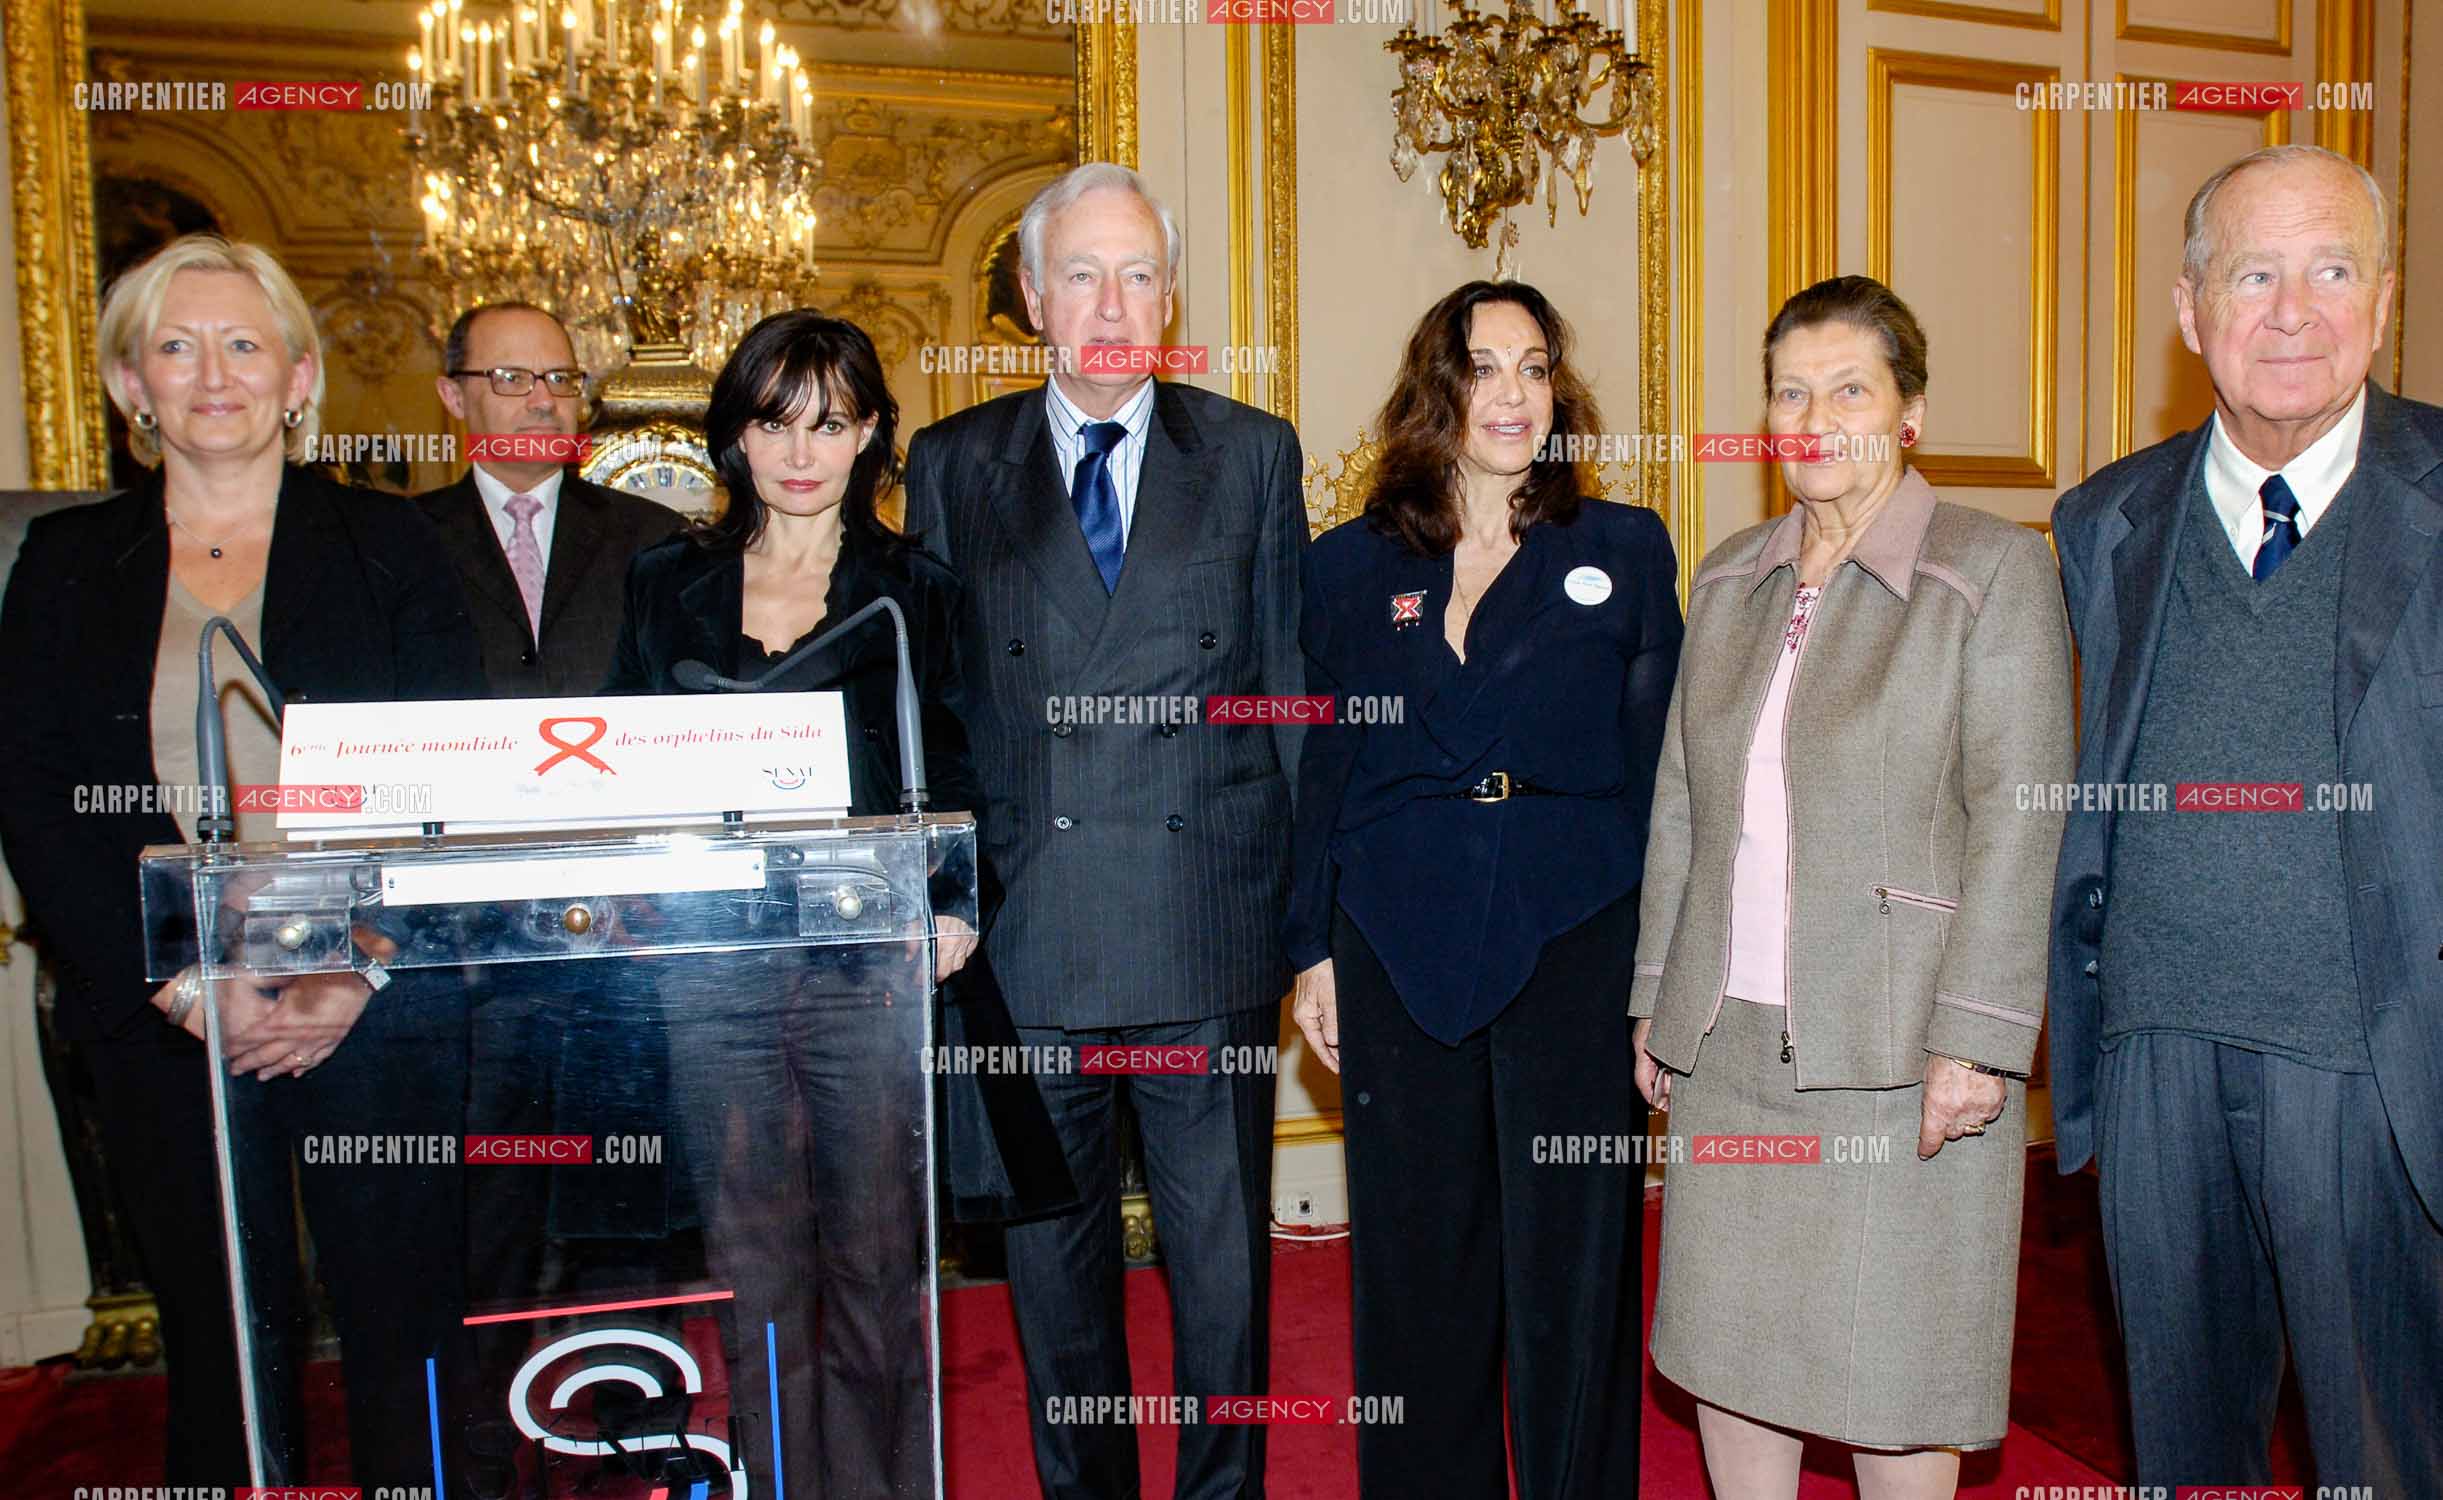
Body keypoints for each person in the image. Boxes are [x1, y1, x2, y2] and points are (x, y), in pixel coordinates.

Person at [0, 233, 484, 1487]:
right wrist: (181, 984)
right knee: (220, 1339)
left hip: (376, 1012)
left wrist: (357, 972)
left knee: (404, 1332)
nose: (211, 374)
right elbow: (37, 799)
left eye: (241, 344)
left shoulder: (394, 551)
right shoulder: (62, 567)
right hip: (168, 1015)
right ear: (129, 387)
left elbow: (452, 781)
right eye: (174, 346)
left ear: (299, 376)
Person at [898, 161, 1308, 1500]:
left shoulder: (1249, 453)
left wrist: (1308, 942)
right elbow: (938, 711)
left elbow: (1292, 702)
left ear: (1170, 295)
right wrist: (944, 897)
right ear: (1029, 294)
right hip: (1029, 944)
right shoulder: (954, 463)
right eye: (1079, 272)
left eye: (1136, 271)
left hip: (1206, 932)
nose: (1110, 301)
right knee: (1054, 1286)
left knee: (1222, 1280)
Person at [1634, 274, 2072, 1499]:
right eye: (1790, 390)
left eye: (1849, 389)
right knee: (1730, 1362)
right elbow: (1683, 805)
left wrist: (1978, 1042)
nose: (1814, 416)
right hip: (1729, 1044)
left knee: (1894, 1388)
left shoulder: (1989, 572)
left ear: (1909, 412)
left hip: (1901, 1058)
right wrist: (1659, 1001)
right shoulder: (1729, 578)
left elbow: (2019, 819)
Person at [2046, 144, 2443, 1492]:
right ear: (2188, 308)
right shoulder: (2101, 521)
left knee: (2381, 1454)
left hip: (2374, 1072)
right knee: (2182, 1456)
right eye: (2251, 273)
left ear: (2380, 300)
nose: (2290, 311)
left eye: (2328, 269)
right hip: (2154, 1049)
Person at [1284, 280, 1678, 1499]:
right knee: (1415, 1264)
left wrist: (1662, 970)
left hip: (1576, 933)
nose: (1511, 392)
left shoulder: (1622, 546)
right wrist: (1310, 952)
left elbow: (1665, 777)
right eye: (1482, 366)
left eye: (1534, 366)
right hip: (1395, 935)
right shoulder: (1346, 567)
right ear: (1435, 389)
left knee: (1575, 1263)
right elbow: (1323, 765)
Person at [605, 309, 995, 1499]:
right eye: (776, 419)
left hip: (864, 969)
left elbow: (972, 771)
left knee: (879, 1263)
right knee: (757, 1263)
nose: (801, 449)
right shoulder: (664, 581)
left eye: (831, 421)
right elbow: (616, 760)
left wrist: (958, 903)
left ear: (873, 433)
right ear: (735, 433)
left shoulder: (917, 589)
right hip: (711, 969)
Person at [417, 300, 682, 696]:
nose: (544, 401)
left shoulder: (654, 535)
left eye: (561, 379)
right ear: (453, 396)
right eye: (510, 378)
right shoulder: (403, 538)